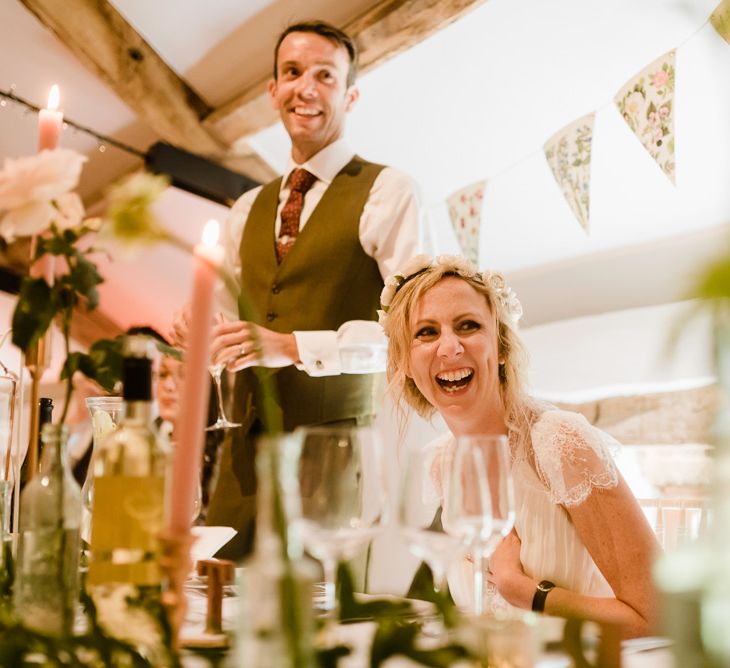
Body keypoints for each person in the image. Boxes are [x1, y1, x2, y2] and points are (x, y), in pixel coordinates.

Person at [171, 20, 425, 559]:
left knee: (313, 622)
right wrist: (198, 333)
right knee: (219, 610)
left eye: (324, 75)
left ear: (350, 95)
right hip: (243, 456)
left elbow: (412, 333)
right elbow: (225, 328)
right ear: (272, 91)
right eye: (291, 73)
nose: (304, 88)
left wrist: (293, 346)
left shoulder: (389, 192)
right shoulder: (245, 210)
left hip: (335, 454)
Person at [381, 254, 658, 638]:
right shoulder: (441, 463)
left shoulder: (558, 443)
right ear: (405, 363)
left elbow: (659, 617)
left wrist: (527, 593)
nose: (449, 348)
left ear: (502, 346)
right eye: (426, 333)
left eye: (468, 325)